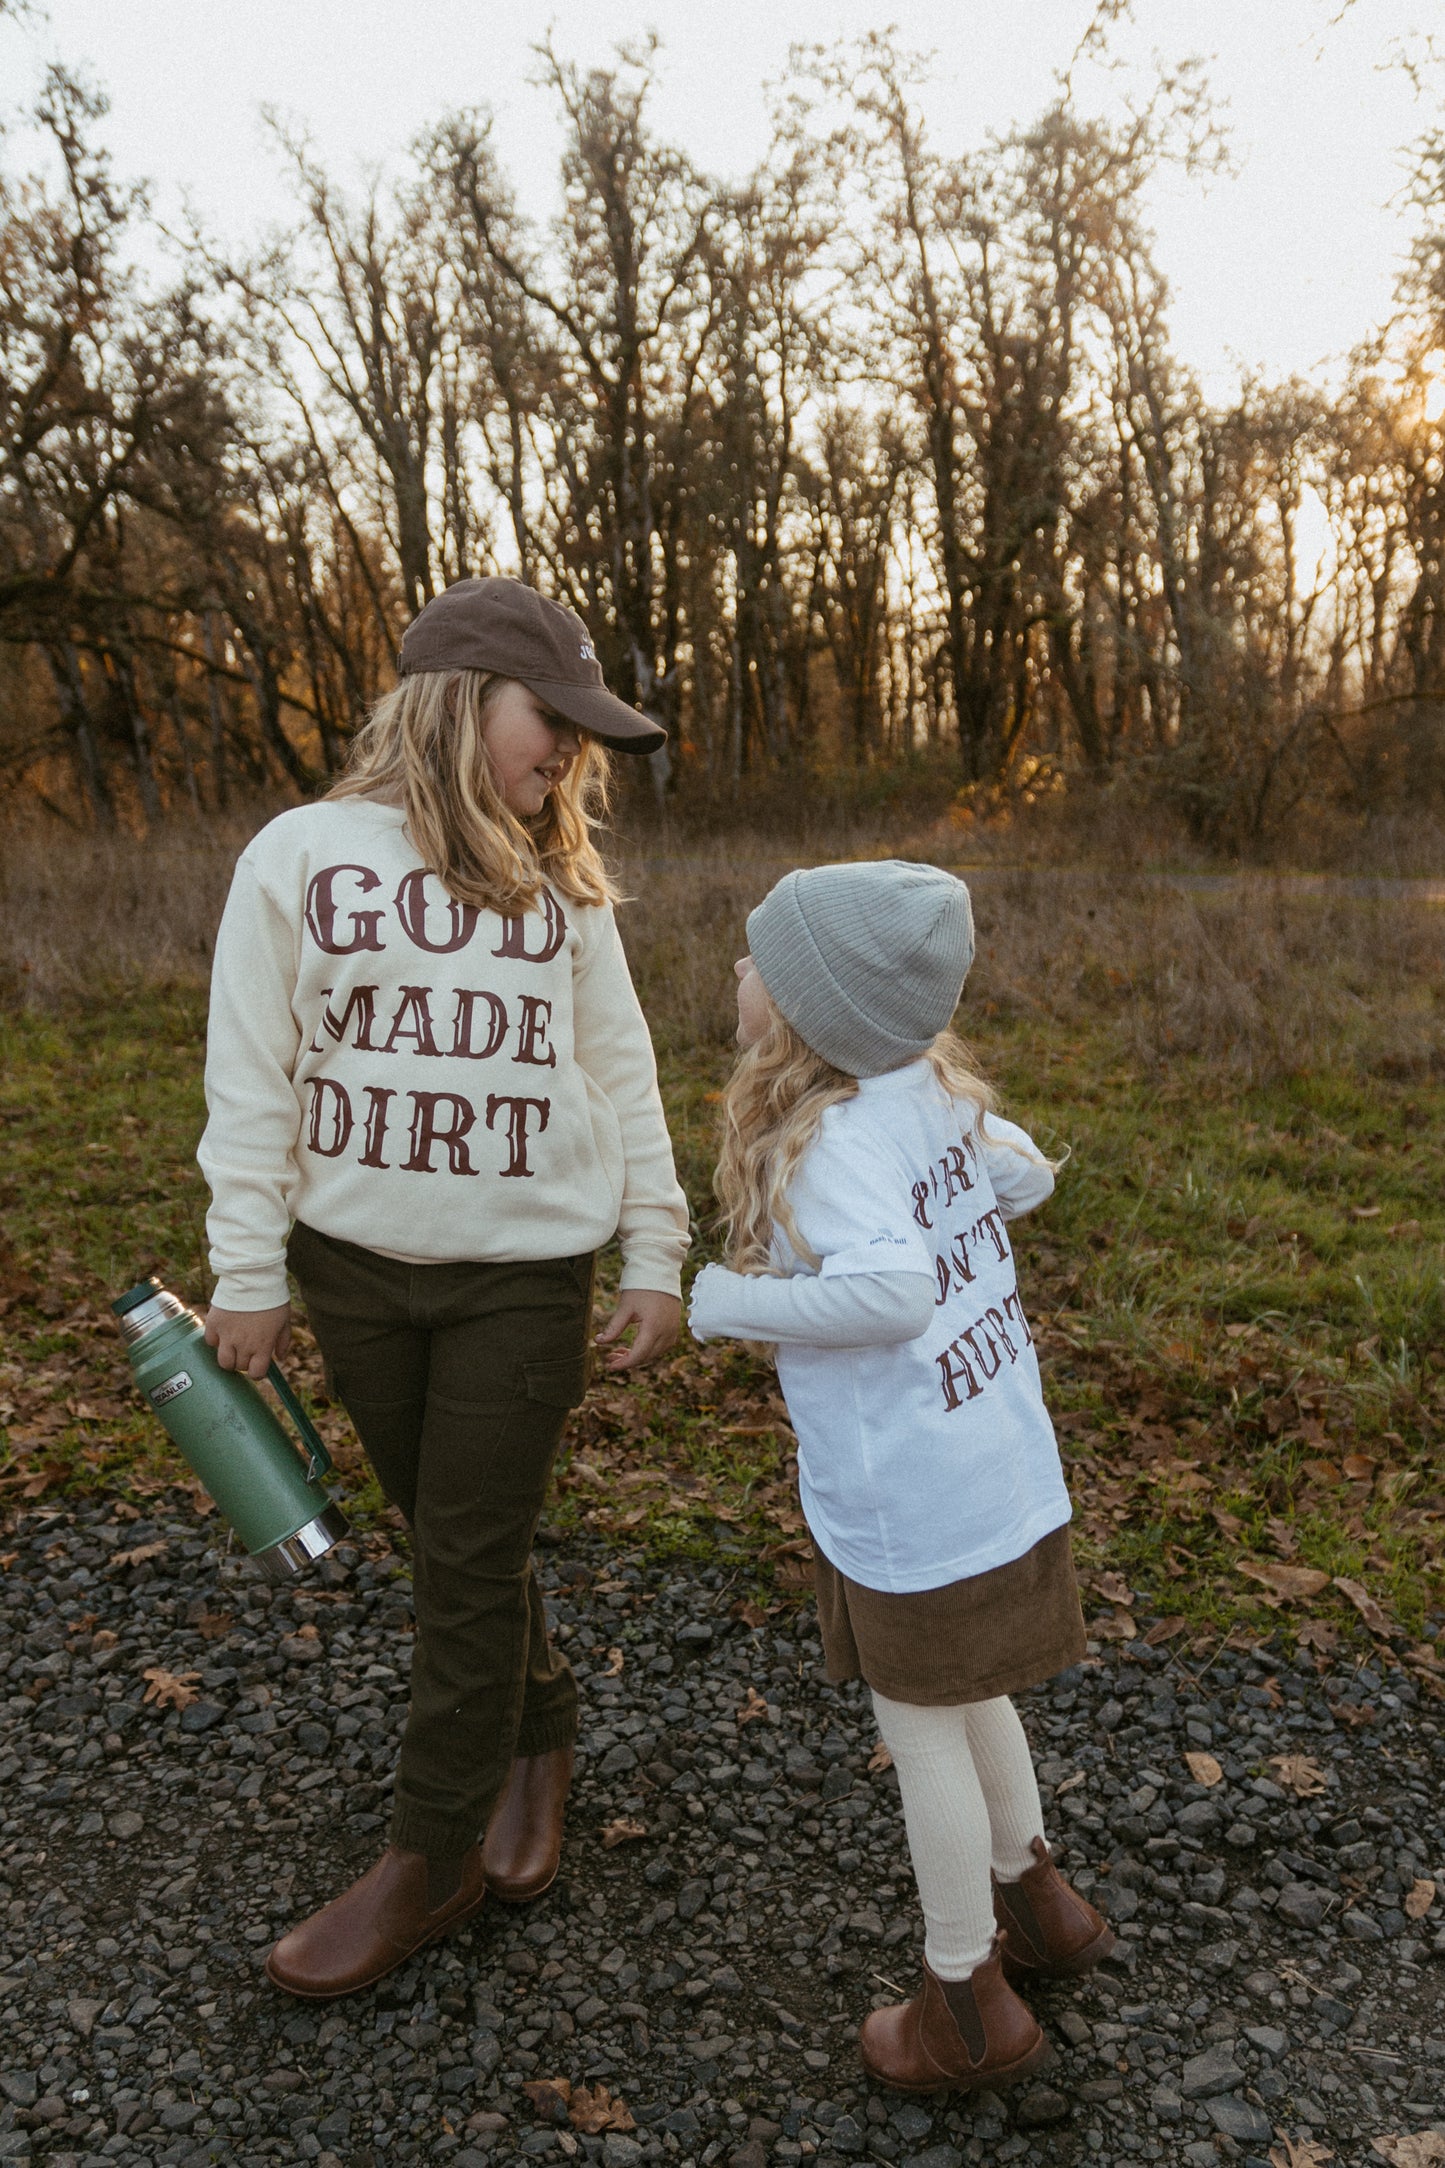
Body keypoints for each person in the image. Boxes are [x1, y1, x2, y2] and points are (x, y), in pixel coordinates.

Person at [198, 577, 690, 1999]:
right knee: (451, 1541)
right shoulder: (300, 857)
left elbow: (622, 1070)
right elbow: (251, 1080)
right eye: (556, 725)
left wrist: (654, 1249)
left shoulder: (559, 883)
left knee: (466, 1563)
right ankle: (538, 1734)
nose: (571, 760)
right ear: (463, 700)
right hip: (352, 1273)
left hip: (522, 1283)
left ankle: (428, 1861)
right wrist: (249, 1268)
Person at [688, 860, 1113, 2093]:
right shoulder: (926, 1091)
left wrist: (731, 1298)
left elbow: (890, 1292)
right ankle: (1036, 1900)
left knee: (919, 1726)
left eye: (759, 958)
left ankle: (964, 2000)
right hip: (995, 1466)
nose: (737, 971)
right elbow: (1024, 1173)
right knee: (974, 1689)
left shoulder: (828, 1139)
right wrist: (969, 1171)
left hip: (911, 1499)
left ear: (818, 1010)